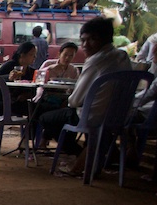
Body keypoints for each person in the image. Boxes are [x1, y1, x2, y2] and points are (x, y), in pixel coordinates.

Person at [38, 16, 132, 166]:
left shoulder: (96, 60)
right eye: (83, 40)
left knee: (46, 118)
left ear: (105, 39)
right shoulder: (122, 56)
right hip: (120, 116)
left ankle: (78, 152)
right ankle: (104, 153)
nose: (86, 45)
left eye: (92, 39)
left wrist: (69, 100)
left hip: (93, 117)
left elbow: (74, 101)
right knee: (65, 114)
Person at [0, 41, 37, 116]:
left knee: (36, 108)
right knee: (32, 109)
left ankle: (30, 127)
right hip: (0, 100)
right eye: (31, 55)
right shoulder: (10, 65)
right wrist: (8, 77)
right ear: (22, 55)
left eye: (35, 55)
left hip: (17, 102)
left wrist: (27, 95)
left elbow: (33, 89)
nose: (34, 57)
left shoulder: (31, 72)